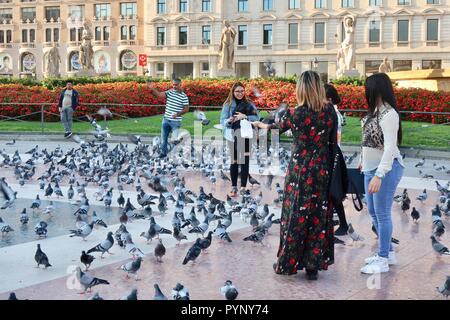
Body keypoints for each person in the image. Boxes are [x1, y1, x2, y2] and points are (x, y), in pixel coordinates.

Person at [252, 71, 337, 280]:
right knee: (318, 216)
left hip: (300, 171)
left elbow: (275, 131)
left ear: (301, 88)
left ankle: (288, 262)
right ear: (318, 87)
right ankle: (313, 266)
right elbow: (333, 142)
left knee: (296, 215)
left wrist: (261, 125)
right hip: (322, 170)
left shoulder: (295, 113)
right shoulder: (330, 112)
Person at [358, 73, 404, 274]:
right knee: (374, 212)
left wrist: (379, 174)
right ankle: (388, 252)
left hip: (385, 170)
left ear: (377, 89)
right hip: (370, 169)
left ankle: (383, 259)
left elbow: (389, 149)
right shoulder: (375, 111)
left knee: (383, 214)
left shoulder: (389, 114)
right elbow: (367, 142)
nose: (365, 91)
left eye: (368, 88)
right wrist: (362, 161)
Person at [220, 82, 259, 197]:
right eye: (237, 91)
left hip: (246, 134)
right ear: (233, 92)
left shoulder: (249, 104)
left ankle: (243, 187)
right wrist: (229, 120)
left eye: (242, 91)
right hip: (232, 135)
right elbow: (222, 120)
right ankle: (233, 187)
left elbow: (257, 117)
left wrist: (245, 116)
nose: (240, 93)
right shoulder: (227, 104)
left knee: (244, 160)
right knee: (234, 161)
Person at [324, 83, 348, 236]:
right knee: (331, 191)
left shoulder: (332, 113)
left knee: (334, 190)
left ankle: (344, 224)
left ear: (329, 98)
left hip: (332, 154)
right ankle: (335, 221)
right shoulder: (333, 112)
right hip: (332, 152)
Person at [148, 78, 189, 158]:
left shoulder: (184, 96)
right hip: (166, 120)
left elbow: (186, 109)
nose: (174, 86)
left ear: (180, 85)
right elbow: (160, 95)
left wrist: (178, 114)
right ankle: (163, 154)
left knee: (174, 140)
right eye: (173, 85)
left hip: (176, 122)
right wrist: (153, 89)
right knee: (164, 139)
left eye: (176, 85)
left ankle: (173, 154)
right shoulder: (170, 92)